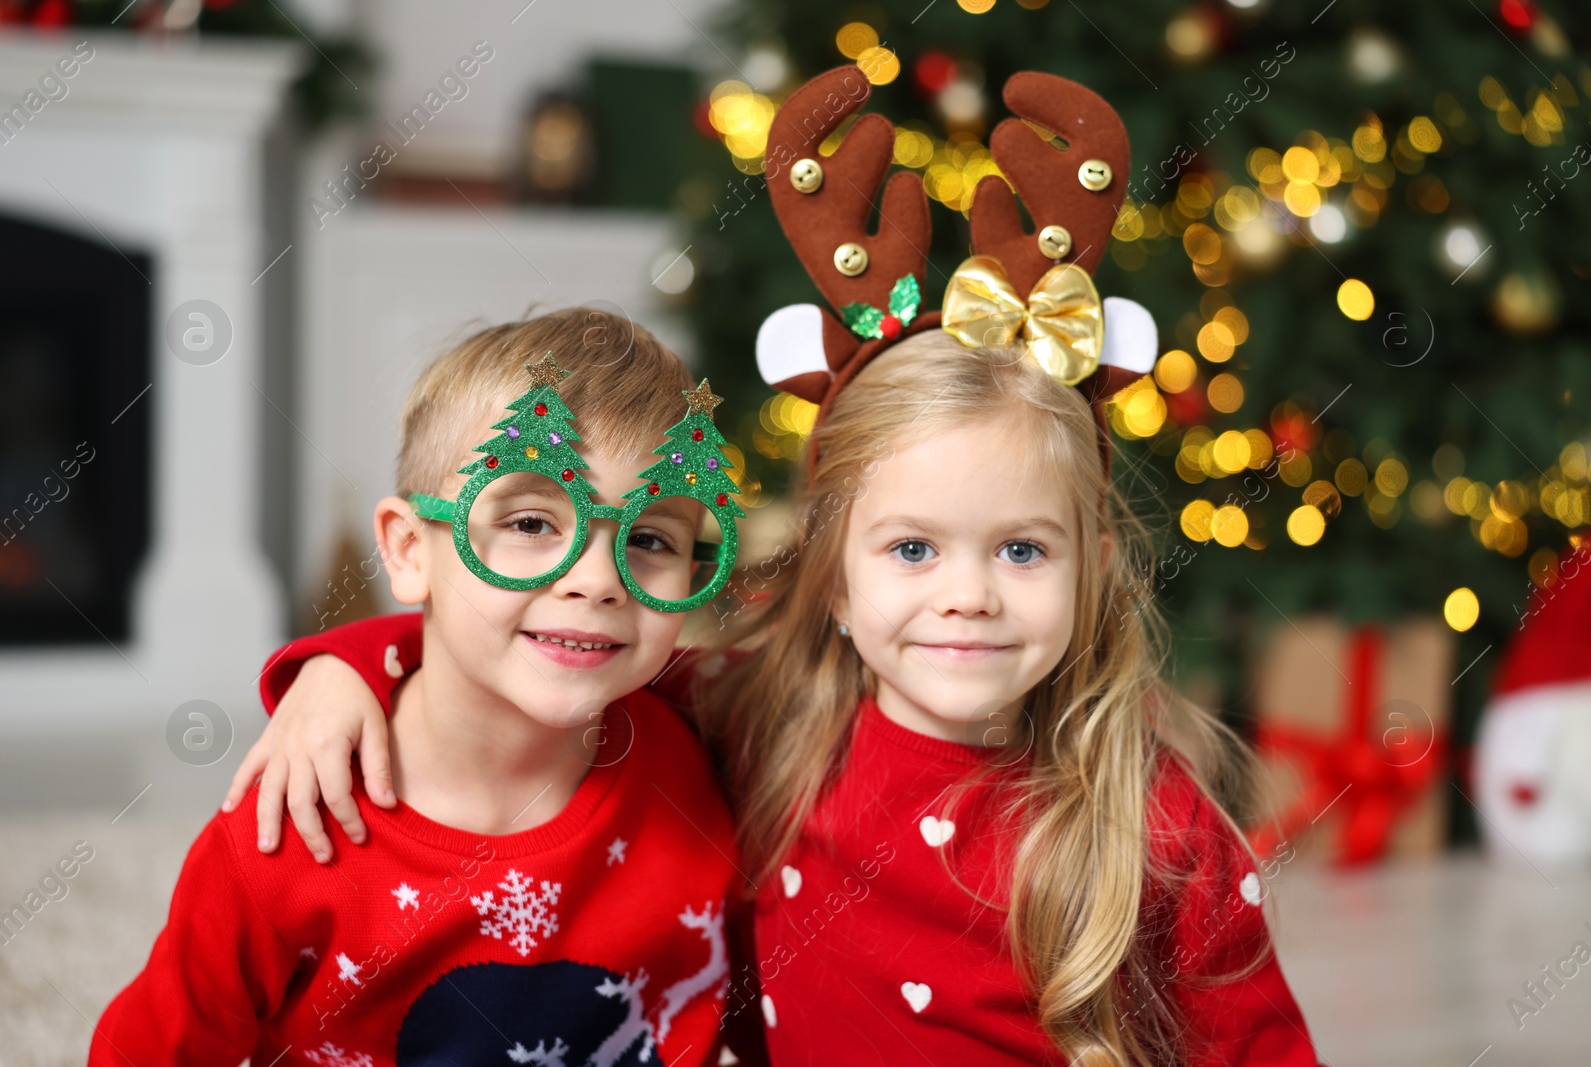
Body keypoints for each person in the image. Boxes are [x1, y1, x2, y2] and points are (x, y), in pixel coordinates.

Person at [226, 66, 1324, 1066]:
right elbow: (554, 649)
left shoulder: (1156, 822)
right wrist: (345, 668)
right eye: (909, 547)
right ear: (834, 576)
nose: (968, 593)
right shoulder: (759, 719)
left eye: (1024, 549)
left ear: (1092, 563)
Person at [94, 310, 756, 1067]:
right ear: (409, 550)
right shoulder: (293, 820)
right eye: (534, 521)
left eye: (650, 539)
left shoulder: (702, 750)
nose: (600, 581)